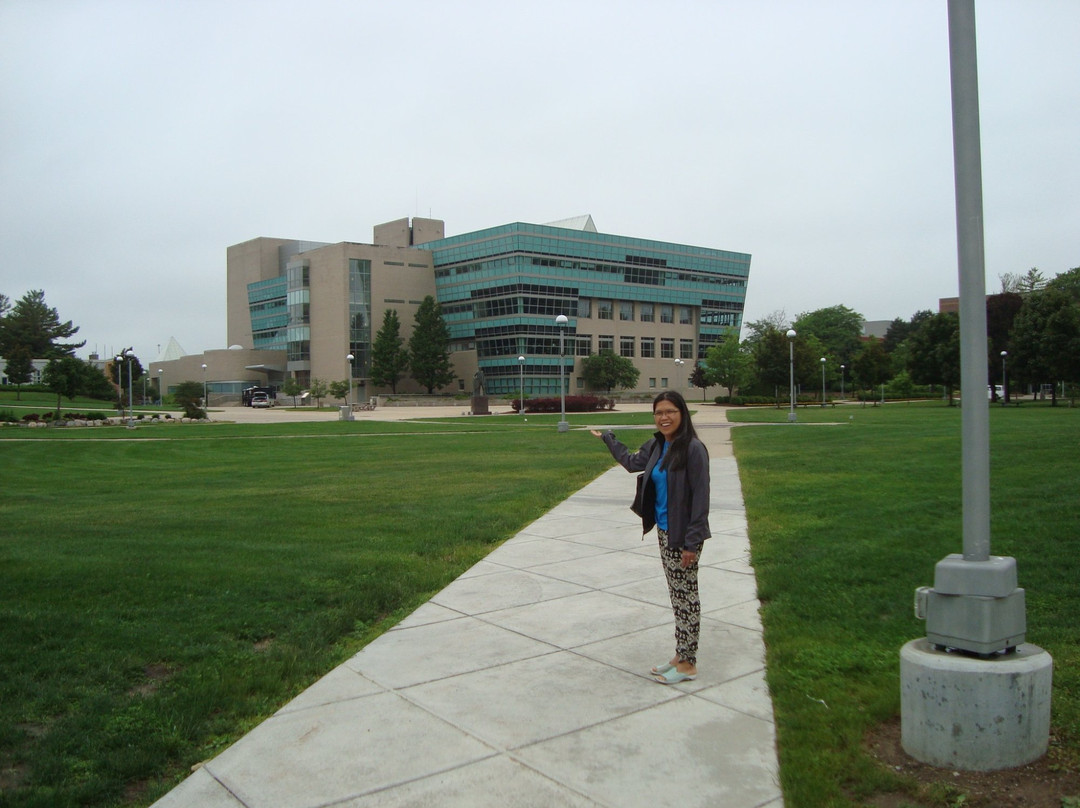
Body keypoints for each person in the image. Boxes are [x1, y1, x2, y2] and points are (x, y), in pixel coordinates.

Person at [591, 390, 710, 684]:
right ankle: (680, 655)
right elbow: (632, 463)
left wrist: (692, 544)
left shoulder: (693, 449)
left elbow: (700, 500)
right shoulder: (658, 445)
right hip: (665, 532)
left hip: (684, 536)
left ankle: (689, 664)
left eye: (670, 411)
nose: (664, 417)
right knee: (676, 596)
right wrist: (609, 438)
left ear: (682, 414)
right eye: (658, 413)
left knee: (687, 598)